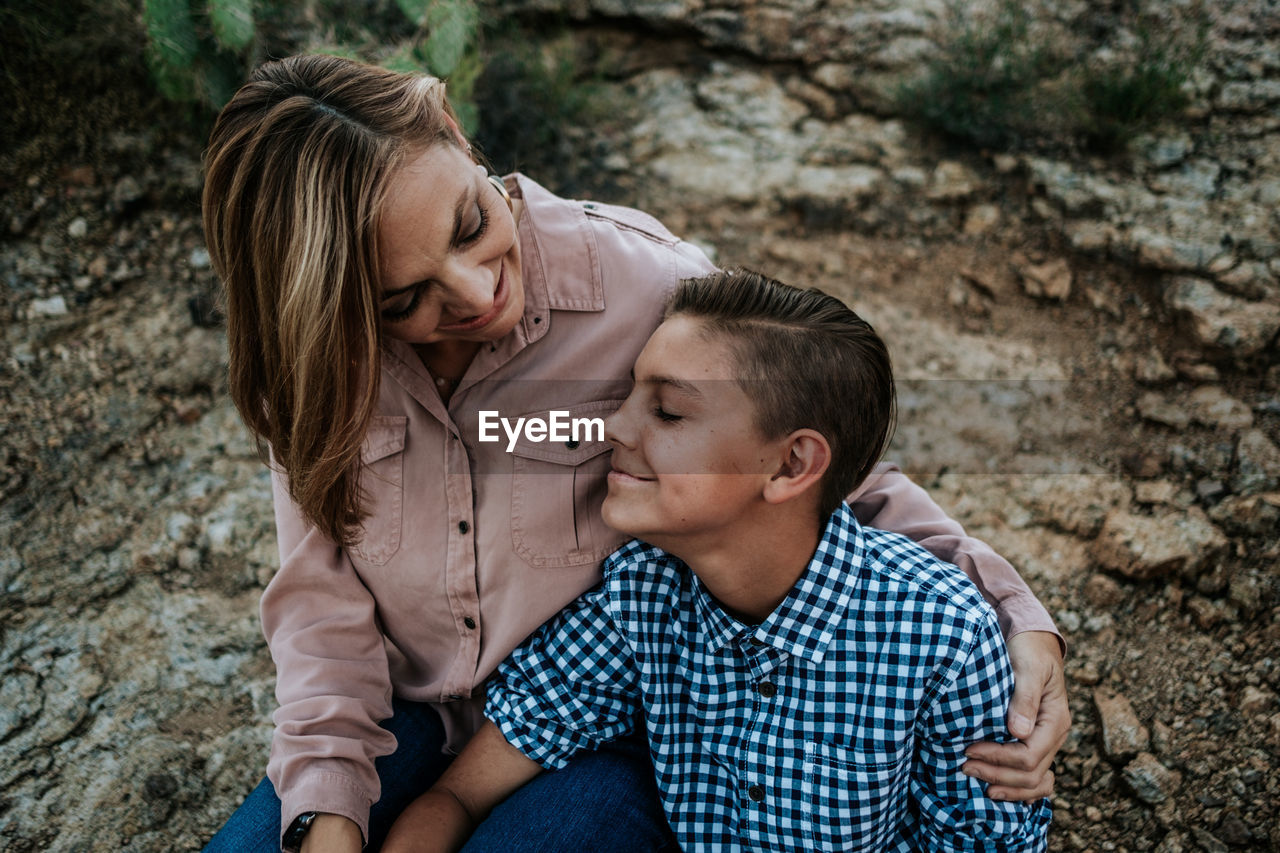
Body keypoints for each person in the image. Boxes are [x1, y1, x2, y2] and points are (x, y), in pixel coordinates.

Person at [200, 54, 1066, 853]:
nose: (474, 291)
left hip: (606, 722)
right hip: (408, 717)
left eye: (470, 225)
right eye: (403, 298)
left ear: (460, 138)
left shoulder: (645, 285)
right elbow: (322, 610)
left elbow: (816, 465)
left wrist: (1015, 618)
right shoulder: (313, 367)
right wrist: (328, 813)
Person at [381, 269, 1053, 852]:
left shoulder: (941, 635)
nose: (615, 427)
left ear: (791, 463)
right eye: (633, 394)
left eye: (668, 412)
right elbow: (459, 796)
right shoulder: (639, 595)